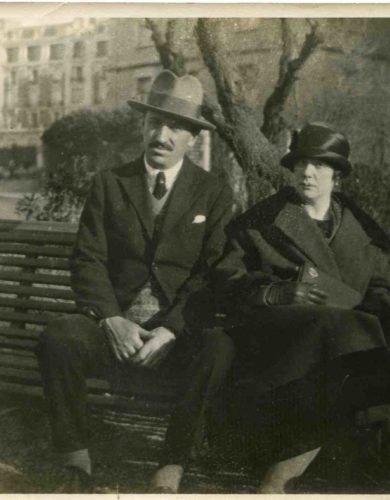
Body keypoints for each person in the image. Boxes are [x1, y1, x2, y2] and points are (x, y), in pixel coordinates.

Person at [214, 122, 390, 493]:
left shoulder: (362, 232)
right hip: (275, 354)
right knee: (340, 335)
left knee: (340, 348)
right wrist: (276, 292)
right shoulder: (261, 223)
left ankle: (276, 482)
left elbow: (384, 292)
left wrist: (369, 317)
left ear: (337, 175)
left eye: (320, 165)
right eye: (300, 164)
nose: (308, 173)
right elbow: (226, 283)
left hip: (343, 361)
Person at [35, 70, 234, 493]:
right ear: (142, 126)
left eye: (175, 127)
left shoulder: (213, 191)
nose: (162, 135)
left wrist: (172, 328)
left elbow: (212, 273)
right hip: (115, 336)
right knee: (58, 337)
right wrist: (110, 318)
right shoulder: (112, 183)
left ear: (192, 138)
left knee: (219, 346)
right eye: (154, 123)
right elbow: (87, 259)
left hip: (175, 342)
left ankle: (172, 463)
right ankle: (75, 458)